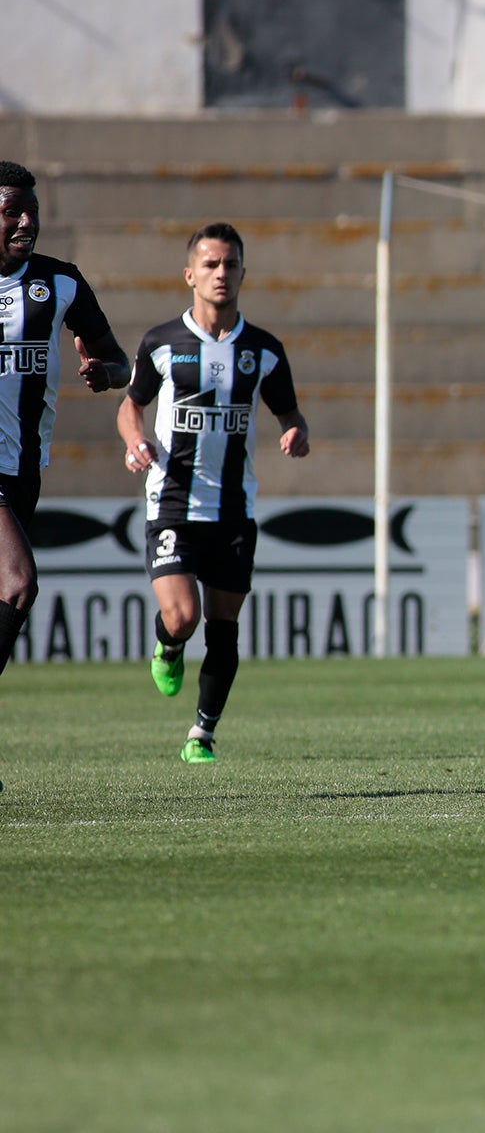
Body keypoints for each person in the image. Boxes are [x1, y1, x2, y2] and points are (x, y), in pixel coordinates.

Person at [119, 223, 310, 762]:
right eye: (210, 265)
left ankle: (202, 732)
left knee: (223, 625)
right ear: (190, 275)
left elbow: (290, 414)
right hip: (174, 501)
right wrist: (135, 440)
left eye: (230, 265)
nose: (220, 274)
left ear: (243, 273)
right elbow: (131, 404)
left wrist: (296, 432)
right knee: (182, 616)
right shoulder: (162, 344)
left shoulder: (264, 351)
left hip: (233, 508)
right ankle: (169, 644)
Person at [0, 163, 131, 719]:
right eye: (12, 211)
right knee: (18, 582)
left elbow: (122, 363)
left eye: (33, 210)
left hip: (23, 469)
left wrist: (106, 374)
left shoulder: (60, 282)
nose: (27, 221)